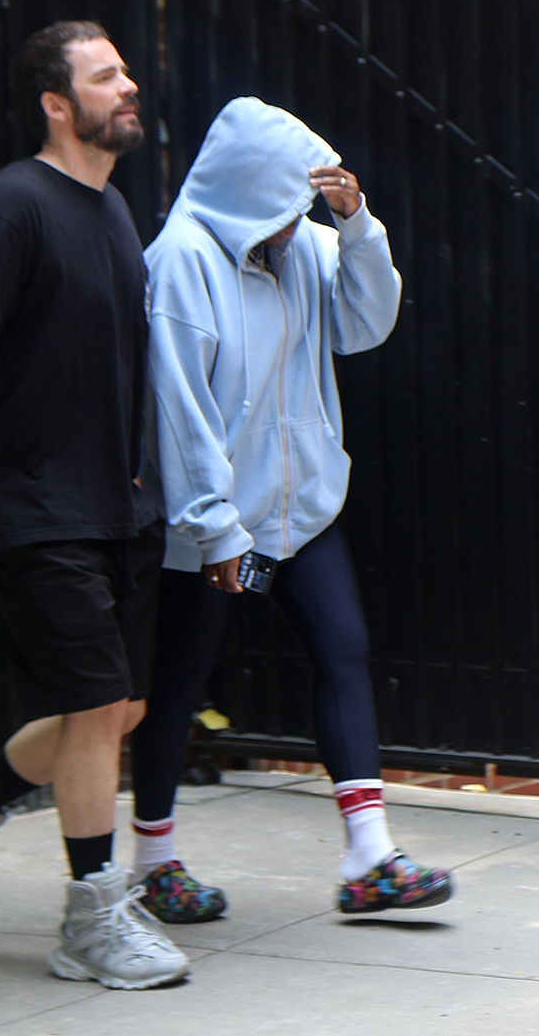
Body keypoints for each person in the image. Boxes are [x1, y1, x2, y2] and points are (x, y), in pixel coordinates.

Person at [0, 20, 189, 990]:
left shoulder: (112, 212)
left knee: (120, 708)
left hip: (118, 506)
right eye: (106, 77)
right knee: (96, 703)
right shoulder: (10, 206)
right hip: (31, 502)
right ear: (57, 104)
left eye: (125, 72)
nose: (128, 87)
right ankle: (91, 919)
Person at [130, 96, 453, 920]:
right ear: (247, 191)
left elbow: (366, 324)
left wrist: (356, 226)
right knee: (177, 681)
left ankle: (370, 857)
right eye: (286, 205)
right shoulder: (181, 262)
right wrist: (212, 529)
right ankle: (153, 860)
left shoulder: (306, 246)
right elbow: (181, 409)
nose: (294, 222)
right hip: (211, 522)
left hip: (299, 503)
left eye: (303, 206)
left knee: (343, 647)